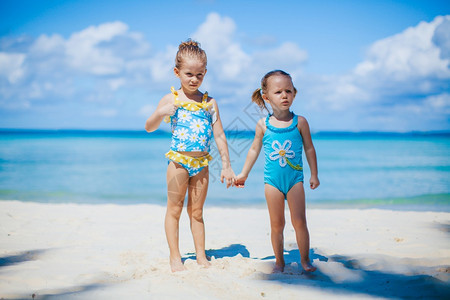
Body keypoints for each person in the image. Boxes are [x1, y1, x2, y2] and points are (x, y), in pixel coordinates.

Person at [145, 39, 235, 272]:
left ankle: (201, 256)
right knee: (174, 208)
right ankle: (175, 257)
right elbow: (149, 127)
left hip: (201, 163)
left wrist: (226, 165)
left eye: (199, 75)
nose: (194, 79)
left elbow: (220, 136)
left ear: (205, 73)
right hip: (179, 162)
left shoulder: (209, 103)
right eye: (189, 74)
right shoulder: (171, 99)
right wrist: (161, 113)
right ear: (177, 72)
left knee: (196, 212)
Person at [235, 70, 319, 273]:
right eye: (278, 92)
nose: (284, 95)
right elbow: (254, 149)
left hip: (295, 180)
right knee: (276, 224)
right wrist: (244, 173)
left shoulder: (300, 122)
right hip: (272, 182)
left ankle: (305, 260)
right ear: (266, 97)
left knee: (299, 221)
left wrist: (314, 174)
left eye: (288, 91)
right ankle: (279, 262)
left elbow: (309, 148)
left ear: (294, 94)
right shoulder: (263, 125)